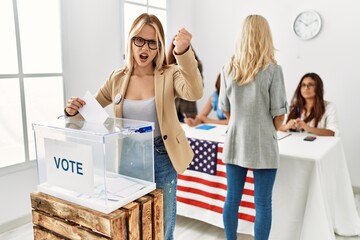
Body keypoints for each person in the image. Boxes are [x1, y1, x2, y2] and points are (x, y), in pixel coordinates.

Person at [64, 13, 203, 240]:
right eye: (139, 39)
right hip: (128, 159)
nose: (144, 48)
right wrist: (72, 110)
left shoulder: (169, 74)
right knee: (132, 223)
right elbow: (87, 113)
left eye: (152, 42)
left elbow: (194, 91)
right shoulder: (117, 78)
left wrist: (183, 53)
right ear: (130, 41)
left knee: (163, 224)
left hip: (162, 157)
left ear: (159, 46)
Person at [219, 15, 287, 240]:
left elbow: (226, 112)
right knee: (263, 204)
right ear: (266, 37)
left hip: (235, 141)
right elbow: (278, 117)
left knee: (232, 199)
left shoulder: (228, 68)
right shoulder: (273, 70)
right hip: (264, 143)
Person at [167, 37, 204, 122]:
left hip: (189, 110)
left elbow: (200, 86)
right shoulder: (168, 65)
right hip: (172, 109)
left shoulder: (196, 65)